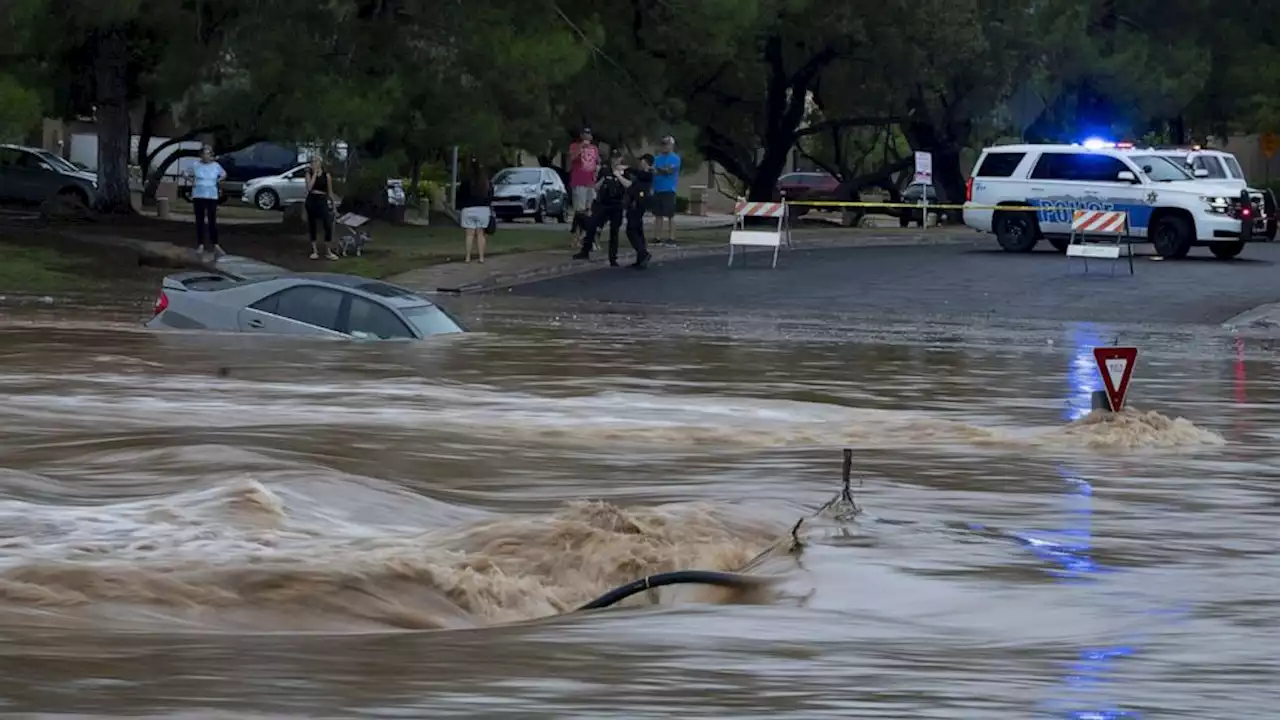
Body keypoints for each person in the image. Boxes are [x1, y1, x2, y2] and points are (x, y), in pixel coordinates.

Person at [573, 150, 627, 264]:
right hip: (603, 203)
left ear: (621, 159)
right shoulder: (604, 170)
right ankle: (585, 251)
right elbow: (596, 187)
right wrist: (604, 179)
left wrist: (619, 175)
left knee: (614, 231)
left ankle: (613, 257)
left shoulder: (624, 171)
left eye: (617, 158)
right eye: (613, 158)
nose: (615, 160)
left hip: (617, 203)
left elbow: (629, 186)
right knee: (592, 225)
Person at [189, 145, 227, 260]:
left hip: (211, 195)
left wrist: (218, 180)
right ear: (201, 155)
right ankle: (201, 244)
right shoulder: (196, 165)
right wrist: (192, 181)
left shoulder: (216, 166)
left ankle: (215, 245)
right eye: (205, 153)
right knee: (199, 220)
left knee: (212, 220)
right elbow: (184, 173)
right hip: (198, 194)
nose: (207, 156)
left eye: (209, 154)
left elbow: (224, 174)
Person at [568, 127, 600, 244]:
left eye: (589, 135)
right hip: (579, 181)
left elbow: (597, 163)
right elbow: (571, 158)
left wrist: (596, 175)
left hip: (590, 182)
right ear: (581, 136)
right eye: (585, 134)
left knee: (589, 210)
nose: (587, 137)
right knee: (579, 210)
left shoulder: (594, 149)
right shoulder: (575, 146)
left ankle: (585, 235)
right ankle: (576, 235)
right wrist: (581, 147)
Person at [457, 158, 492, 263]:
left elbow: (460, 195)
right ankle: (481, 257)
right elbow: (490, 195)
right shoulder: (485, 182)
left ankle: (467, 257)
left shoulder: (466, 181)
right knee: (481, 234)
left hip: (468, 209)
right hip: (483, 209)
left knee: (469, 234)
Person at [622, 153, 654, 268]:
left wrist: (627, 168)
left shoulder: (648, 174)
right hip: (633, 204)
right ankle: (640, 258)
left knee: (631, 230)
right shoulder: (641, 175)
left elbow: (638, 174)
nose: (640, 163)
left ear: (646, 163)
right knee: (638, 230)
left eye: (642, 162)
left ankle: (643, 253)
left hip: (637, 204)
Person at [304, 156, 339, 260]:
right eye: (313, 162)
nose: (315, 163)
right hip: (312, 200)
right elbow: (309, 187)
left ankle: (328, 251)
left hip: (322, 199)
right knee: (312, 224)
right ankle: (315, 251)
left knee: (327, 224)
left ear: (320, 163)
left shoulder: (326, 175)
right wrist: (314, 173)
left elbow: (330, 191)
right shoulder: (308, 173)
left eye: (317, 161)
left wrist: (334, 205)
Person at [651, 135, 682, 246]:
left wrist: (658, 170)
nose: (664, 146)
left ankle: (672, 237)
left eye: (667, 144)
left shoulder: (675, 158)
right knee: (658, 215)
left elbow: (668, 171)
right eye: (663, 144)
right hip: (658, 189)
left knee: (670, 215)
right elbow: (653, 171)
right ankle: (657, 237)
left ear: (672, 145)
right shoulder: (657, 158)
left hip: (669, 189)